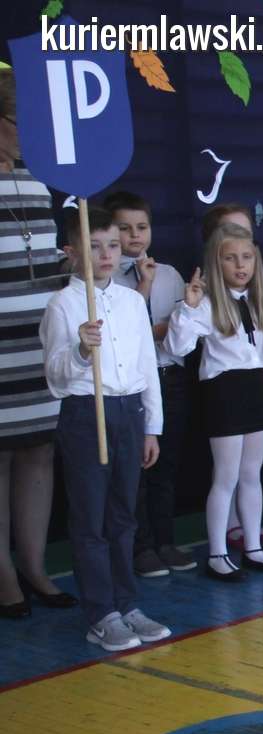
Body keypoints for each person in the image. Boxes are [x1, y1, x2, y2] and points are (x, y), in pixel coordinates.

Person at [39, 207, 170, 650]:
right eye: (94, 247)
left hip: (129, 412)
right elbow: (56, 378)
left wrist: (151, 426)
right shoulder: (62, 305)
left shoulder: (132, 301)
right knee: (90, 518)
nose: (107, 255)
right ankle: (101, 613)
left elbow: (147, 366)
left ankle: (127, 604)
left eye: (112, 245)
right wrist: (80, 350)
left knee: (123, 515)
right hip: (85, 413)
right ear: (72, 252)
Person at [166, 224, 263, 582]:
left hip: (255, 390)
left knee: (252, 474)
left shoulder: (259, 302)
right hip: (224, 392)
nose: (240, 265)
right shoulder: (207, 304)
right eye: (231, 258)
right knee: (226, 476)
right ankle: (218, 553)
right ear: (215, 263)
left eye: (247, 257)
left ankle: (253, 547)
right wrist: (188, 308)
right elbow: (177, 348)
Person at [0, 70, 74, 619]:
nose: (27, 137)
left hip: (39, 341)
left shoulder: (33, 179)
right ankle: (3, 575)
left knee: (38, 451)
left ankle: (34, 566)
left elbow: (43, 258)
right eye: (17, 123)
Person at [103, 190, 198, 577]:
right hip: (130, 385)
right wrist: (145, 297)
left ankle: (164, 541)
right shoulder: (107, 278)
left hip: (169, 379)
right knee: (134, 471)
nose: (134, 236)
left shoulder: (170, 275)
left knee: (165, 467)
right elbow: (125, 336)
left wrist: (162, 329)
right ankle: (138, 546)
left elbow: (178, 334)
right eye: (124, 228)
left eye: (141, 227)